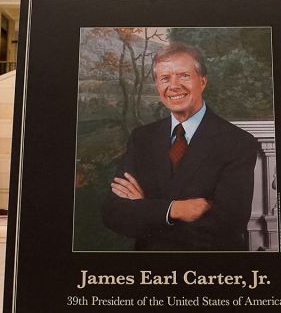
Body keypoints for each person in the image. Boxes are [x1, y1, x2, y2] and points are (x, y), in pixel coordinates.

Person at [101, 42, 259, 251]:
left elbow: (226, 227)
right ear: (157, 86)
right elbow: (113, 213)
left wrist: (144, 208)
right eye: (165, 78)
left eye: (183, 75)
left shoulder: (238, 142)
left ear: (202, 81)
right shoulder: (141, 139)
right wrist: (173, 210)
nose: (174, 86)